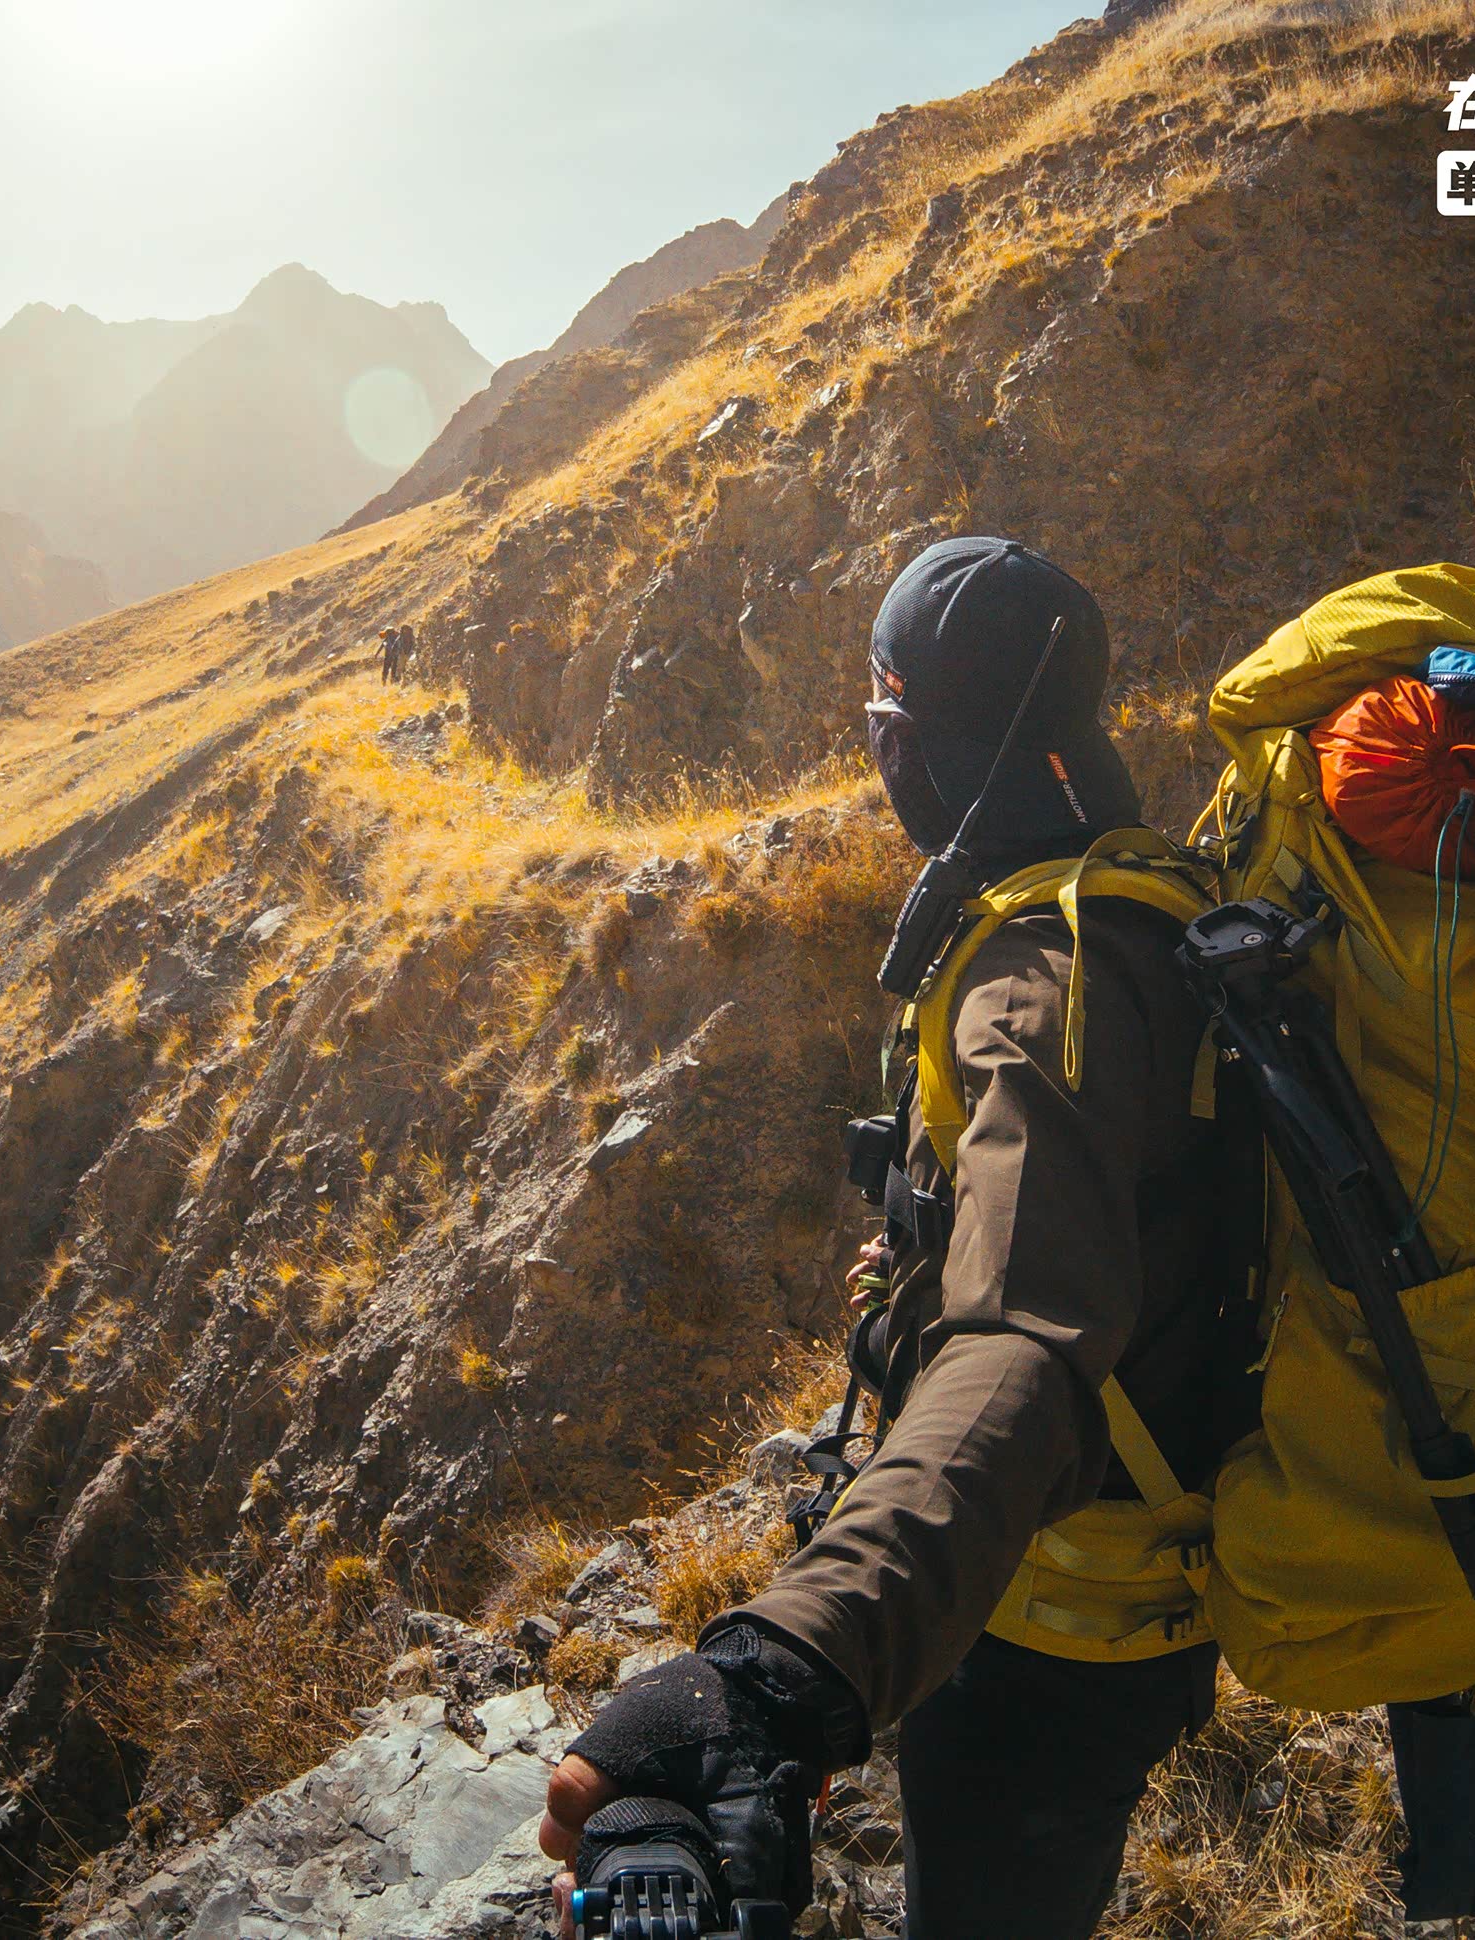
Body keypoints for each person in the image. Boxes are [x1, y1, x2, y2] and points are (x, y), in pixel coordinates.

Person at [541, 537, 1266, 1937]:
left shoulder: (1029, 989)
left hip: (1050, 1617)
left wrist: (785, 1672)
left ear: (937, 743)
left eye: (885, 726)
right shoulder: (1130, 885)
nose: (876, 758)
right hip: (1120, 1562)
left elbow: (1027, 1346)